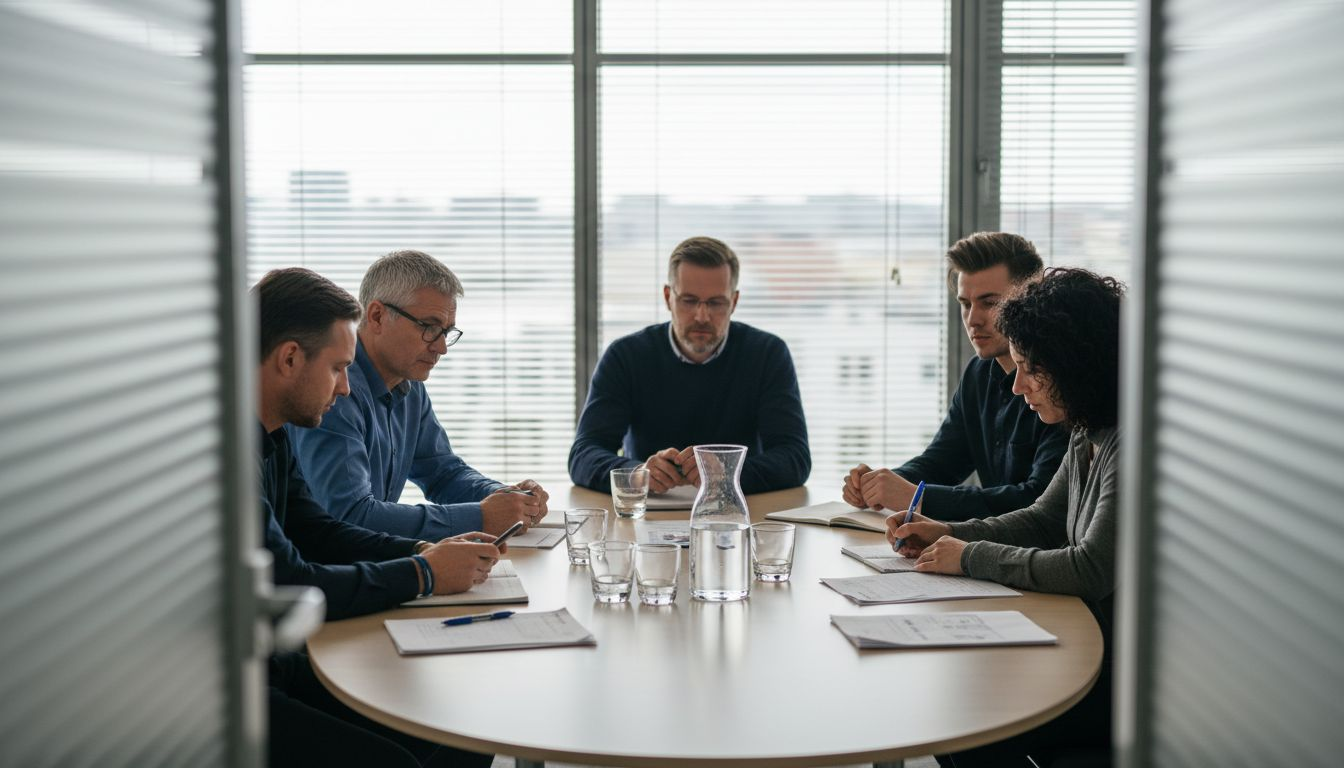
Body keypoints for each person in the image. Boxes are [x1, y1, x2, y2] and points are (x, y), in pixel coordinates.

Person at [255, 267, 497, 767]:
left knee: (467, 730)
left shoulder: (274, 436)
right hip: (235, 681)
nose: (345, 388)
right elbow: (292, 577)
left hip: (279, 654)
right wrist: (424, 574)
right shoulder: (226, 454)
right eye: (338, 369)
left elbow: (318, 532)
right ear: (290, 359)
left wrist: (422, 552)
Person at [887, 267, 1124, 767]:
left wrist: (970, 554)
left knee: (964, 717)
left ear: (1074, 364)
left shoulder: (1127, 443)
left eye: (1029, 369)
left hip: (1123, 680)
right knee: (955, 709)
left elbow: (1091, 569)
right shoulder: (1088, 427)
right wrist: (947, 532)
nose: (1017, 387)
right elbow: (1043, 519)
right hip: (1090, 650)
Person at [289, 250, 549, 541]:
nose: (442, 347)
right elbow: (350, 516)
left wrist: (505, 498)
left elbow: (442, 473)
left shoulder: (409, 385)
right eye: (429, 327)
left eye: (447, 332)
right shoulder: (335, 391)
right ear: (376, 317)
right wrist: (482, 517)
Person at [843, 232, 1068, 521]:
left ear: (1030, 297)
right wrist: (877, 485)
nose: (973, 319)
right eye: (965, 304)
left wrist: (916, 497)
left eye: (989, 303)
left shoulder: (1060, 380)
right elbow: (942, 463)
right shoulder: (978, 372)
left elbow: (1038, 501)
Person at [568, 236, 811, 494]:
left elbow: (795, 458)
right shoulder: (625, 356)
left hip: (736, 514)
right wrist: (637, 474)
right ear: (667, 297)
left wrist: (727, 473)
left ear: (734, 302)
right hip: (648, 512)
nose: (702, 316)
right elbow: (583, 455)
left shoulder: (767, 354)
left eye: (716, 303)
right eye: (689, 300)